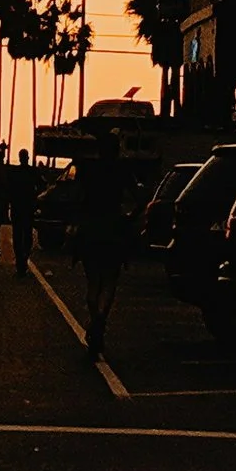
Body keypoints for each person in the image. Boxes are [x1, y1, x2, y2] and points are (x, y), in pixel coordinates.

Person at [71, 133, 134, 361]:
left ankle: (95, 319)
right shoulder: (122, 170)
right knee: (109, 281)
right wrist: (129, 218)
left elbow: (77, 198)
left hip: (91, 230)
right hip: (113, 229)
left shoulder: (89, 170)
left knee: (93, 281)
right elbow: (135, 198)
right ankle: (100, 320)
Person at [7, 148, 42, 275]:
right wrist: (34, 198)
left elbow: (9, 189)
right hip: (27, 206)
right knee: (26, 234)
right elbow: (42, 186)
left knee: (18, 235)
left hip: (18, 206)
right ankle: (24, 258)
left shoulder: (14, 172)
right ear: (26, 158)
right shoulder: (33, 172)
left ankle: (20, 261)